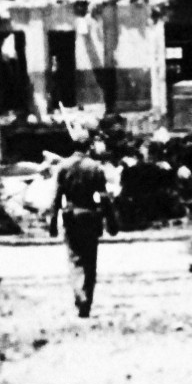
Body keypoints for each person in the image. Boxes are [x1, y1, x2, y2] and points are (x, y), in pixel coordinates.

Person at [50, 129, 114, 318]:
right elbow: (103, 197)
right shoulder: (95, 167)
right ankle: (87, 299)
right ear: (88, 146)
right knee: (90, 261)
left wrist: (53, 221)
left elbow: (57, 196)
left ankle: (80, 295)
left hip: (71, 216)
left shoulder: (63, 166)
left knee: (75, 259)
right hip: (90, 216)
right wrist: (111, 220)